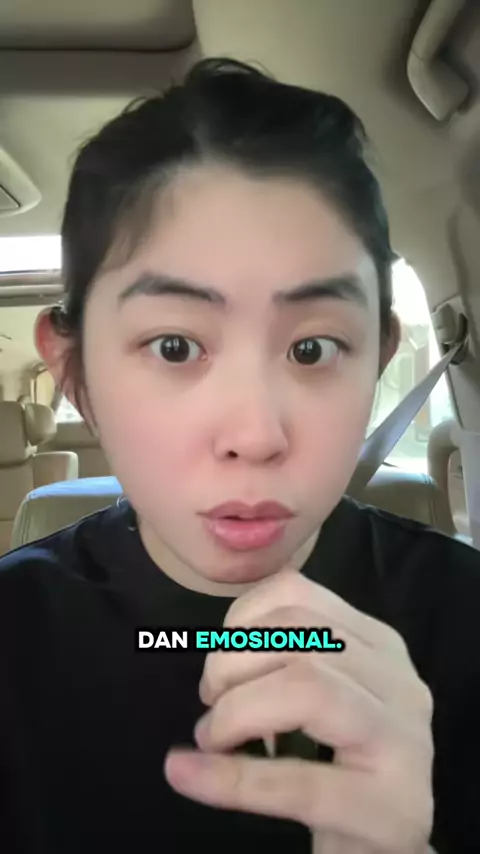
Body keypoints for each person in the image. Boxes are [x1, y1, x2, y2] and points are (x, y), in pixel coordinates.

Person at [0, 58, 478, 854]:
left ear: (378, 357)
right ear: (74, 371)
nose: (255, 436)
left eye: (313, 348)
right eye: (175, 345)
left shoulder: (464, 621)